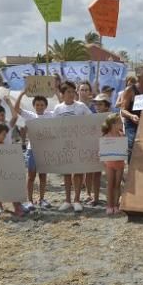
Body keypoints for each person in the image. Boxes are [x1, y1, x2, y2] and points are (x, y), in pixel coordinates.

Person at [52, 81, 93, 212]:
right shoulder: (58, 108)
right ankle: (67, 200)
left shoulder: (81, 107)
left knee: (78, 171)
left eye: (72, 91)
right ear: (62, 94)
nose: (70, 94)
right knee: (67, 173)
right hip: (64, 145)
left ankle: (77, 200)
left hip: (79, 144)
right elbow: (53, 127)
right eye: (67, 92)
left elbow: (91, 120)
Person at [10, 92, 52, 211]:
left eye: (42, 105)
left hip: (45, 150)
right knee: (31, 177)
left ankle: (42, 199)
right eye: (37, 105)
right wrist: (23, 93)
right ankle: (29, 200)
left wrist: (54, 92)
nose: (39, 107)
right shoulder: (30, 115)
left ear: (46, 106)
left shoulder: (50, 115)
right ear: (34, 106)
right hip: (32, 149)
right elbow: (16, 108)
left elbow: (61, 108)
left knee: (43, 176)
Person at [120, 67, 143, 163]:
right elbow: (123, 110)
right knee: (132, 144)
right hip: (132, 124)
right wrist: (131, 116)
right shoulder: (130, 90)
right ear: (139, 77)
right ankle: (131, 170)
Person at [101, 114, 126, 215]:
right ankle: (109, 205)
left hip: (120, 164)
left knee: (117, 184)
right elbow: (102, 152)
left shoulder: (122, 135)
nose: (121, 124)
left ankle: (116, 205)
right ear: (113, 124)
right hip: (109, 164)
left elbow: (124, 150)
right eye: (119, 122)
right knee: (110, 185)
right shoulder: (106, 136)